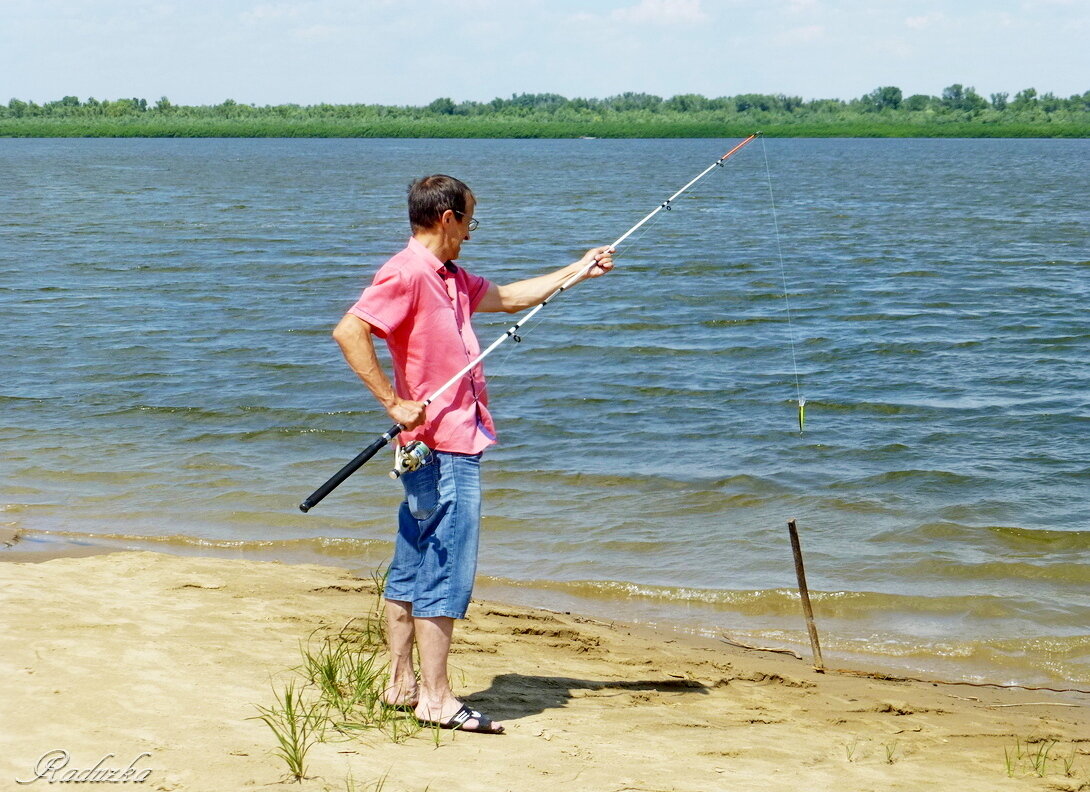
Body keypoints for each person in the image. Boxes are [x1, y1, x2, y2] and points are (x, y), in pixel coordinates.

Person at [332, 174, 613, 734]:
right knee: (446, 568)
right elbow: (349, 331)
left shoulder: (452, 278)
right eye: (470, 221)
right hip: (441, 447)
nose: (471, 233)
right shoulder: (408, 271)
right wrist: (393, 401)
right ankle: (436, 699)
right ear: (447, 219)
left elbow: (510, 297)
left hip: (432, 449)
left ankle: (401, 684)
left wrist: (579, 268)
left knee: (412, 563)